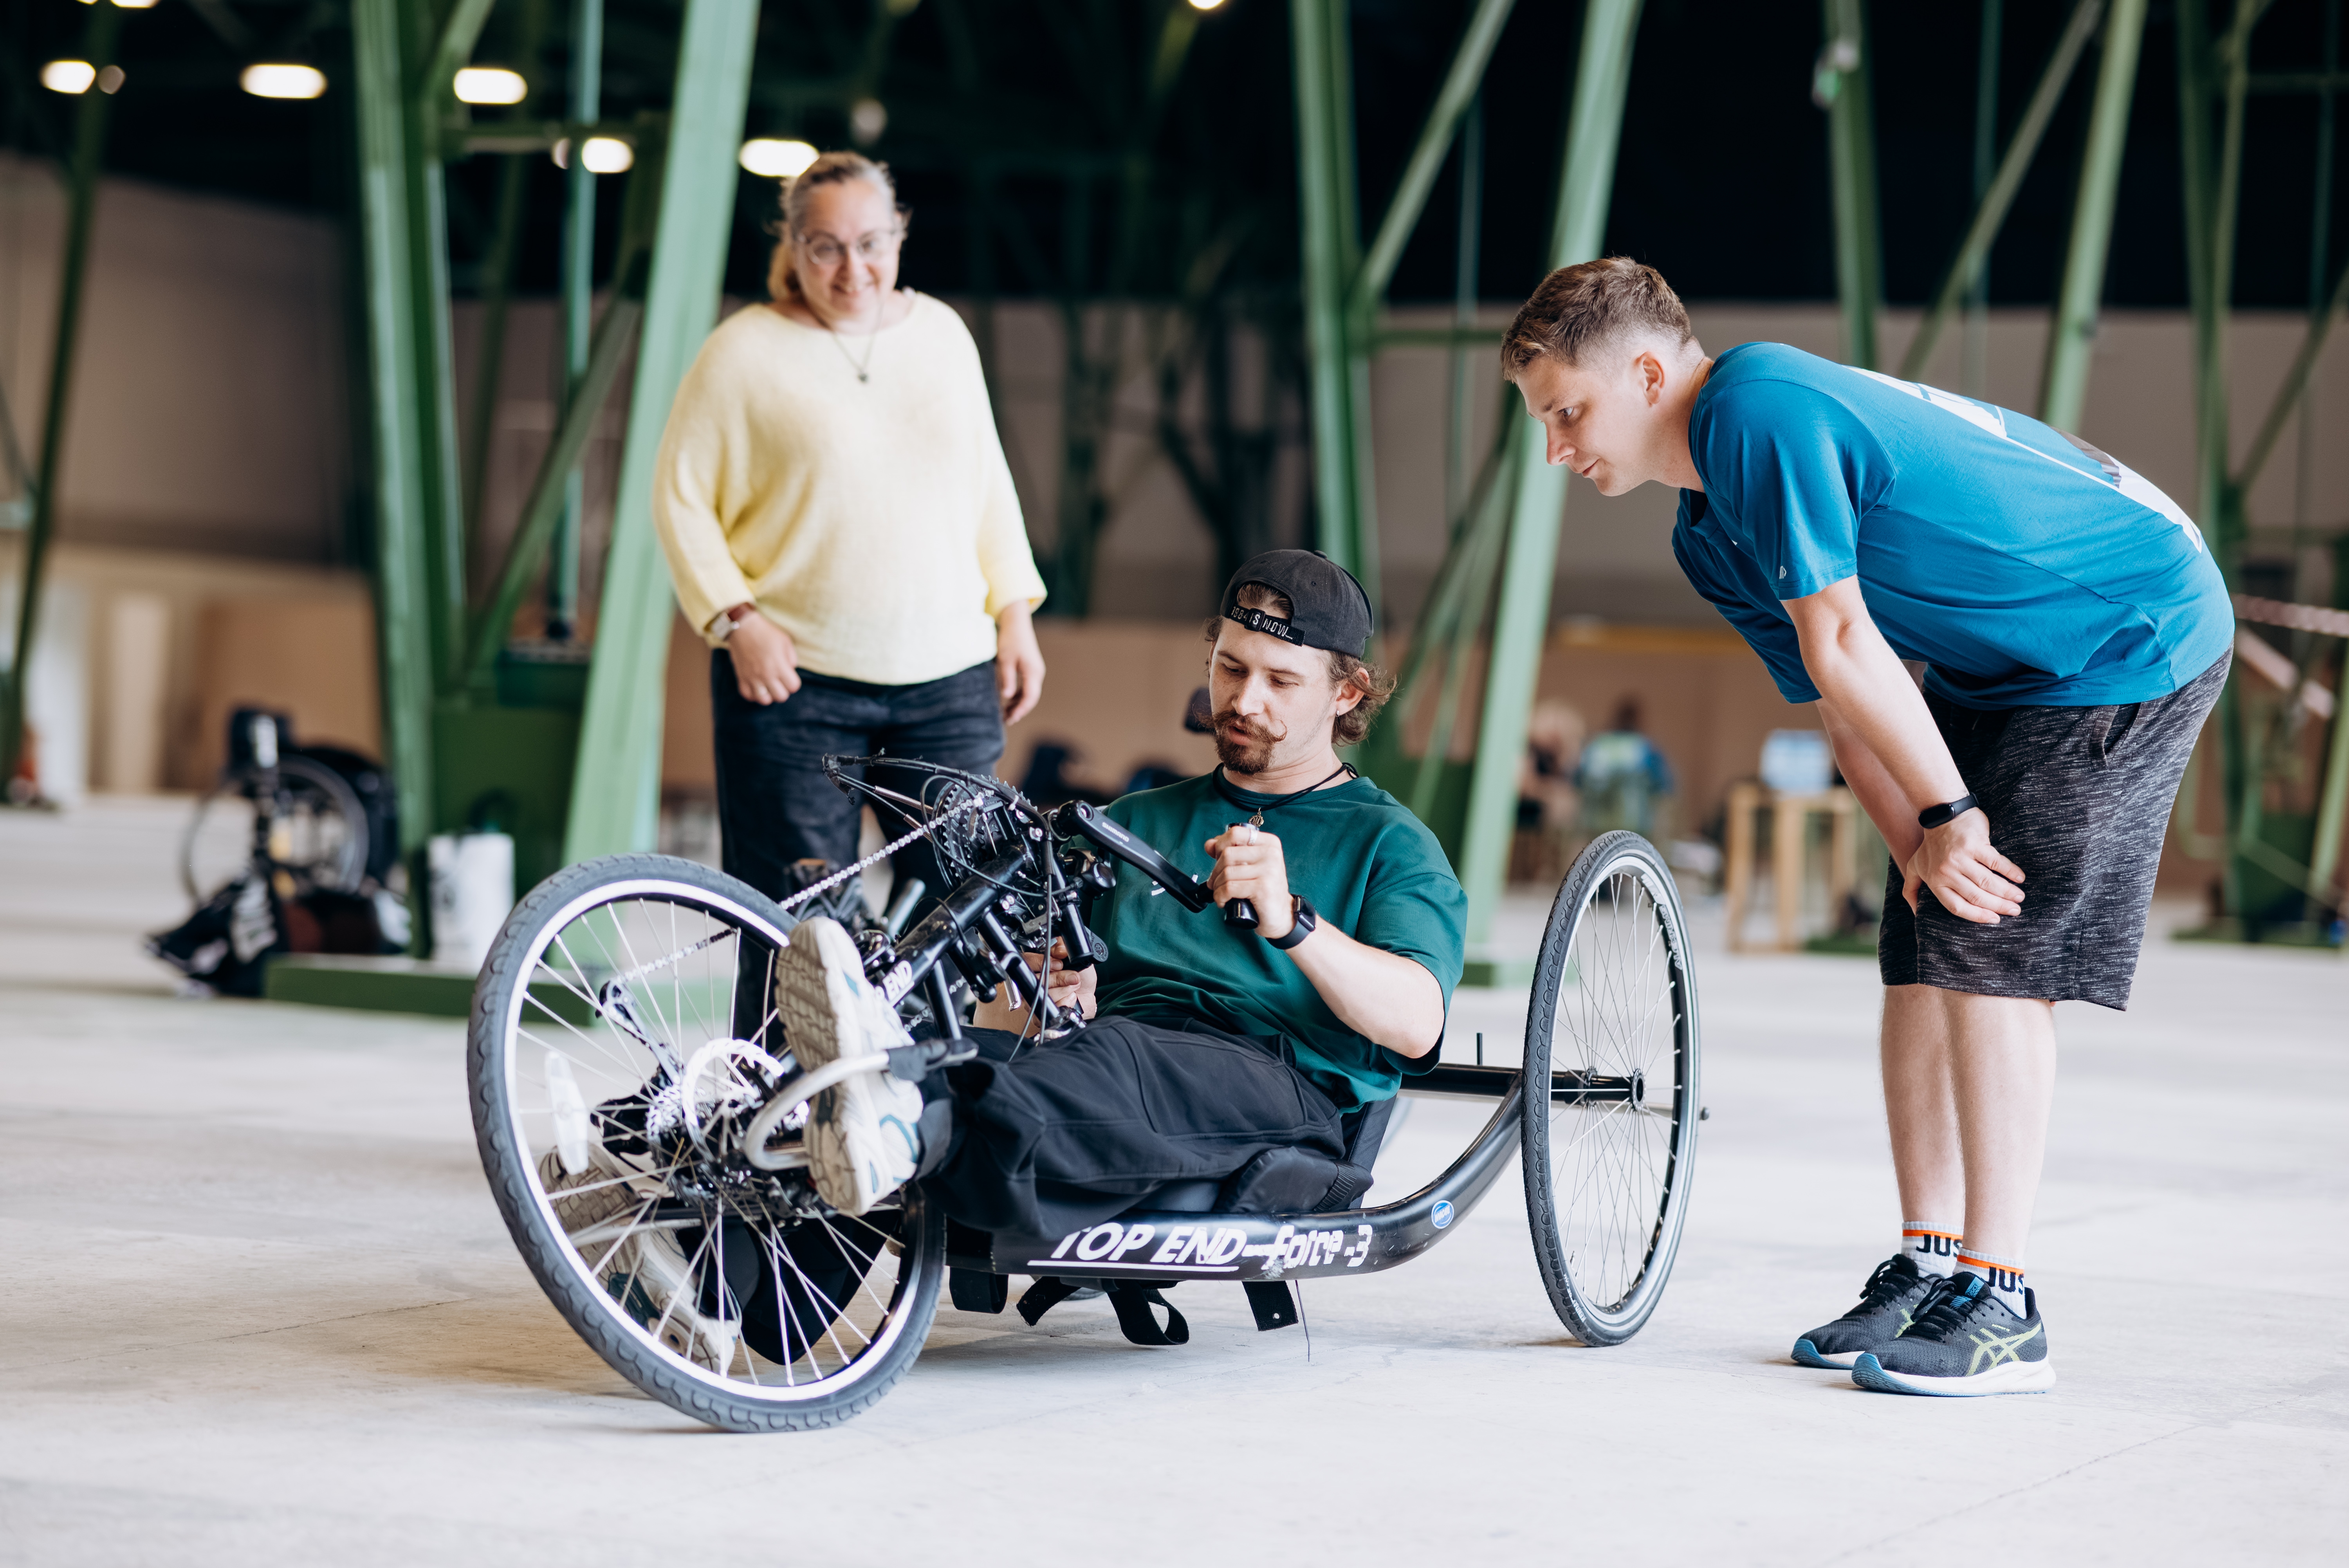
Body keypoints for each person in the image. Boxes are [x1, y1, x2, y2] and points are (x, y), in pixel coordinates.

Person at [1499, 258, 2231, 1397]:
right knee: (1922, 935)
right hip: (2007, 667)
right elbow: (1843, 705)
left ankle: (2004, 1301)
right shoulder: (1706, 533)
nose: (1557, 450)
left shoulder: (1759, 408)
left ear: (1647, 373)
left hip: (2124, 627)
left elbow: (1846, 639)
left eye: (1566, 413)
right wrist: (1917, 847)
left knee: (1991, 950)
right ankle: (1930, 1259)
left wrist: (1952, 817)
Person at [772, 550, 1467, 1259]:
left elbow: (1417, 1024)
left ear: (1347, 693)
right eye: (1230, 667)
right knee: (949, 1052)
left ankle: (912, 1128)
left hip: (1271, 1081)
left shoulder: (1391, 841)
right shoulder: (1132, 819)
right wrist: (1044, 995)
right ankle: (729, 1293)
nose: (1245, 699)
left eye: (1281, 680)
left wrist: (1294, 923)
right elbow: (1021, 1013)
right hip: (1108, 1062)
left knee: (1109, 1057)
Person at [651, 150, 1048, 909]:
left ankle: (926, 1039)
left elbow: (987, 483)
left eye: (870, 243)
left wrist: (1015, 614)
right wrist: (736, 619)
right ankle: (793, 1039)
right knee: (801, 923)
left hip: (948, 683)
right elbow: (680, 497)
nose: (851, 268)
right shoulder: (742, 351)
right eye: (826, 247)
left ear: (898, 236)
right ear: (793, 248)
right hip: (796, 687)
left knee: (955, 914)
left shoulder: (942, 334)